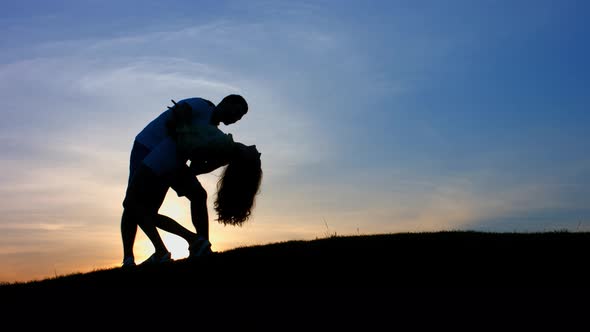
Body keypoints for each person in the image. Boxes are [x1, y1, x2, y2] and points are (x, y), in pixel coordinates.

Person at [121, 95, 249, 267]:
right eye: (237, 112)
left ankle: (201, 246)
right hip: (147, 146)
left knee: (196, 196)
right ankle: (130, 257)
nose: (237, 118)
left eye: (240, 117)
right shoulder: (202, 105)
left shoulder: (213, 132)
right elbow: (179, 114)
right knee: (134, 204)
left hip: (169, 158)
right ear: (227, 102)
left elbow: (196, 165)